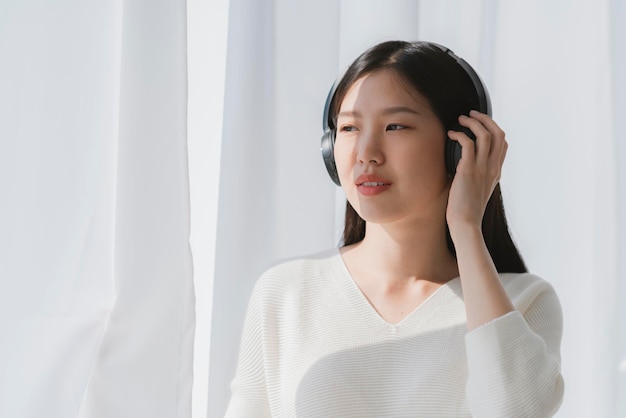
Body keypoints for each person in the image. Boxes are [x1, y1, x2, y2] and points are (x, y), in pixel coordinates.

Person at [225, 40, 564, 417]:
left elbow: (513, 411)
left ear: (462, 147)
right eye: (349, 127)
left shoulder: (523, 302)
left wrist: (466, 226)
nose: (367, 152)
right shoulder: (285, 294)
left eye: (395, 125)